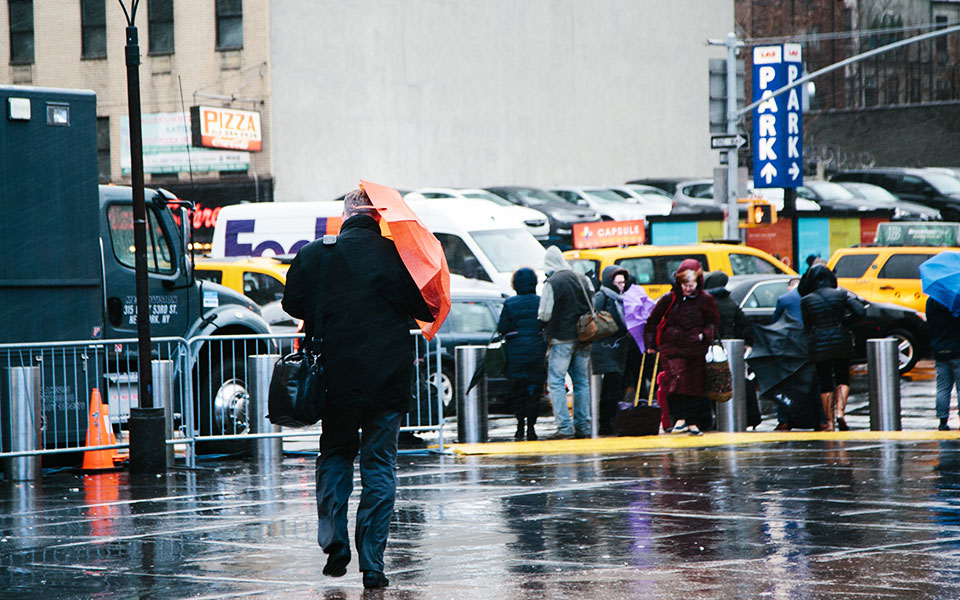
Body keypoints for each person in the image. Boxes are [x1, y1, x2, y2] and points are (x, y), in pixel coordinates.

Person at [281, 188, 434, 590]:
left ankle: (334, 539)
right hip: (388, 380)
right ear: (379, 216)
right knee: (379, 465)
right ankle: (373, 565)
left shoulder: (316, 254)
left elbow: (292, 304)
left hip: (336, 379)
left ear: (346, 214)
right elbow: (424, 308)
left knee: (335, 453)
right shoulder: (401, 256)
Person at [643, 259, 720, 436]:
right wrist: (650, 344)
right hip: (672, 347)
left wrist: (703, 335)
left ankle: (691, 422)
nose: (687, 288)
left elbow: (713, 323)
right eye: (684, 285)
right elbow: (652, 321)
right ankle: (679, 419)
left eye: (691, 285)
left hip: (696, 348)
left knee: (694, 384)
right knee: (676, 381)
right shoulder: (669, 299)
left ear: (698, 282)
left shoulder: (706, 300)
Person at [798, 264, 865, 431]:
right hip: (841, 339)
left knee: (825, 381)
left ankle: (829, 422)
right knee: (842, 377)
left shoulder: (806, 300)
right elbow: (860, 311)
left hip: (819, 342)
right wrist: (844, 322)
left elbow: (807, 325)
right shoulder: (841, 294)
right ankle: (840, 413)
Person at [539, 246, 594, 439]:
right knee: (581, 382)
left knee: (556, 381)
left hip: (561, 338)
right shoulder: (582, 278)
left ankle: (565, 427)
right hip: (584, 336)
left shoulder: (552, 282)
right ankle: (583, 426)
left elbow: (544, 314)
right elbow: (592, 304)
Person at [703, 270, 760, 429]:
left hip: (714, 348)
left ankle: (715, 419)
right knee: (734, 383)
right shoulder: (730, 302)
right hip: (731, 349)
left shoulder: (708, 303)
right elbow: (744, 324)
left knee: (714, 383)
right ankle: (748, 418)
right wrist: (746, 342)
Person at [497, 267, 547, 441]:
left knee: (519, 391)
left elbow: (502, 327)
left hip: (516, 352)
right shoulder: (540, 301)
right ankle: (532, 428)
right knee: (535, 391)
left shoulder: (510, 303)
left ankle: (520, 427)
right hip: (537, 350)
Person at [591, 266, 630, 436]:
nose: (622, 286)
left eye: (623, 282)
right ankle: (607, 422)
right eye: (618, 282)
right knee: (612, 386)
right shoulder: (602, 296)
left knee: (612, 386)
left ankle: (610, 422)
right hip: (604, 347)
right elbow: (594, 319)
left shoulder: (621, 298)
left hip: (618, 347)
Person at [927, 296, 960, 431]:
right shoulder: (956, 300)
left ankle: (942, 420)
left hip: (939, 351)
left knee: (943, 388)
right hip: (957, 351)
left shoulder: (931, 301)